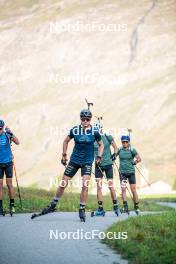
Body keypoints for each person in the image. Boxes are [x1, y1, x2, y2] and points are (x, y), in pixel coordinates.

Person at [42, 109, 104, 221]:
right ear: (80, 119)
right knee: (63, 183)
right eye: (83, 119)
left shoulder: (94, 131)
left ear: (90, 120)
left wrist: (99, 156)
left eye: (87, 119)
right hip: (74, 161)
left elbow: (101, 144)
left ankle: (82, 208)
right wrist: (64, 155)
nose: (85, 121)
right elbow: (65, 141)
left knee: (85, 185)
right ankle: (53, 204)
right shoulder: (75, 130)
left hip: (87, 162)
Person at [94, 123, 119, 216]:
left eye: (98, 130)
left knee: (110, 186)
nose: (97, 132)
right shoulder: (93, 139)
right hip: (98, 166)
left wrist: (114, 155)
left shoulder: (107, 136)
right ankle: (100, 209)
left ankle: (116, 205)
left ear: (101, 129)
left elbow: (116, 148)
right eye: (95, 130)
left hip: (108, 164)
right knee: (99, 187)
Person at [0, 120, 20, 215]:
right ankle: (0, 208)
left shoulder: (7, 135)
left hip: (8, 163)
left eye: (0, 129)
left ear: (3, 128)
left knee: (9, 184)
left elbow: (17, 142)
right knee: (0, 184)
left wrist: (11, 133)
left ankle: (12, 206)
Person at [117, 135, 141, 213]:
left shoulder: (132, 149)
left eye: (126, 142)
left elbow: (139, 159)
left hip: (131, 172)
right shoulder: (120, 149)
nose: (124, 143)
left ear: (128, 142)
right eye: (123, 142)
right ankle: (125, 207)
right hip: (122, 173)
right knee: (123, 189)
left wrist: (135, 162)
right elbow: (114, 154)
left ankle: (136, 206)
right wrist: (113, 157)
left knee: (133, 190)